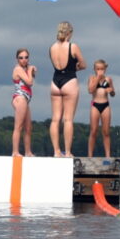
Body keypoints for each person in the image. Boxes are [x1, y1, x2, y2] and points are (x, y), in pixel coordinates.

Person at [47, 22, 84, 158]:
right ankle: (67, 152)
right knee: (68, 119)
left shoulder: (52, 47)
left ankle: (56, 151)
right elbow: (83, 64)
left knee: (55, 119)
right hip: (69, 80)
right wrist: (75, 68)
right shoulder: (72, 46)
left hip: (55, 82)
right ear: (70, 33)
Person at [85, 59, 117, 160]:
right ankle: (90, 156)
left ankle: (108, 156)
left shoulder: (108, 79)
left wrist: (111, 91)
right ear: (94, 69)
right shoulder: (92, 78)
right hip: (95, 105)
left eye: (102, 69)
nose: (100, 71)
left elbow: (113, 93)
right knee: (93, 131)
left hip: (105, 105)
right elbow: (90, 90)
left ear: (105, 69)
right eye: (98, 69)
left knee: (106, 132)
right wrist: (98, 78)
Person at [9, 48, 35, 157]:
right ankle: (15, 152)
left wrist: (31, 71)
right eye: (21, 58)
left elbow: (31, 78)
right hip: (20, 97)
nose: (24, 60)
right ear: (17, 59)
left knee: (28, 128)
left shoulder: (25, 69)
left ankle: (28, 152)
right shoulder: (18, 69)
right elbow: (29, 82)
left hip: (26, 98)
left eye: (26, 57)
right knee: (18, 126)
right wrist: (30, 70)